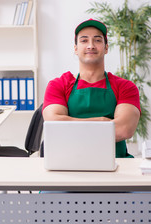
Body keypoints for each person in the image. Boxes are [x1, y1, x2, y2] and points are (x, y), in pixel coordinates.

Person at [42, 18, 141, 158]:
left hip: (116, 163)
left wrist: (70, 125)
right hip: (68, 163)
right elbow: (54, 125)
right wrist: (102, 122)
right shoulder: (58, 85)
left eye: (97, 40)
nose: (91, 46)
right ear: (76, 49)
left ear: (106, 48)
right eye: (84, 40)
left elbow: (124, 129)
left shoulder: (125, 87)